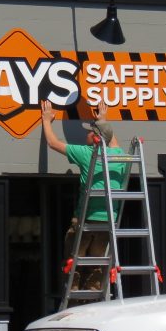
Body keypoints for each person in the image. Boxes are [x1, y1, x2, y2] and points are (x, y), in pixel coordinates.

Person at [41, 100, 128, 291]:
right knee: (97, 267)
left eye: (91, 131)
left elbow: (52, 143)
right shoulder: (119, 156)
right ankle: (93, 304)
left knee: (74, 265)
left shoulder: (86, 153)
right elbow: (111, 139)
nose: (87, 133)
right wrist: (103, 121)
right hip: (108, 224)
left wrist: (46, 120)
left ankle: (72, 305)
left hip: (85, 220)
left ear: (96, 138)